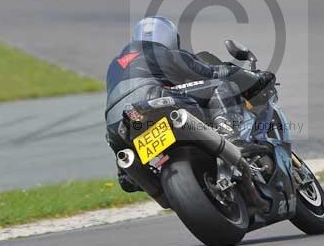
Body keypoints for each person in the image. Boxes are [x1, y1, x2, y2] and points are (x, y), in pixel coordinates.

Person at [105, 16, 274, 191]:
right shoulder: (165, 53)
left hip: (117, 127)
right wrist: (255, 78)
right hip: (154, 101)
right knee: (223, 85)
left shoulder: (115, 65)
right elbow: (214, 73)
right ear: (170, 38)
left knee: (129, 172)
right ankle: (230, 135)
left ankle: (127, 174)